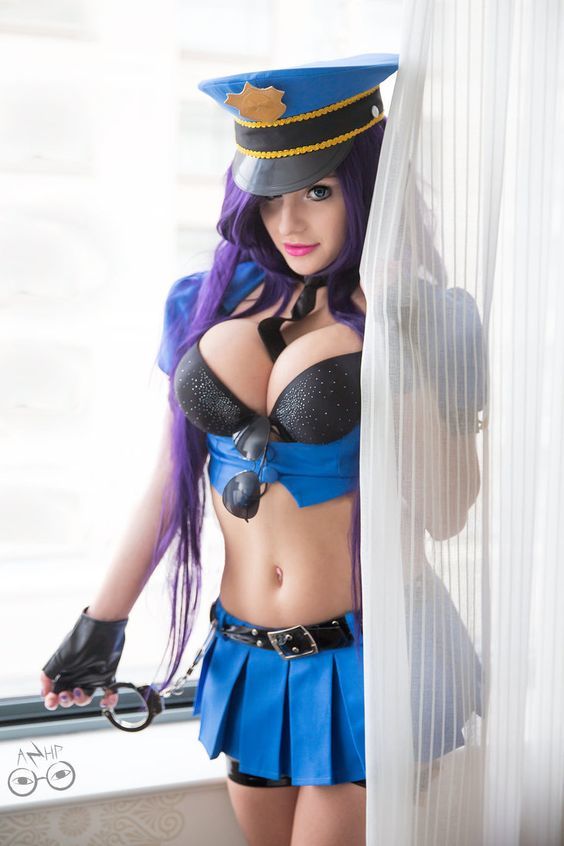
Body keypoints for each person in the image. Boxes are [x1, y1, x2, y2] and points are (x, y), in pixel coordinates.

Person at [40, 55, 484, 846]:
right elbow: (169, 483)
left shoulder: (432, 318)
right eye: (272, 198)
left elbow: (449, 511)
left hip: (372, 658)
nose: (291, 225)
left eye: (318, 191)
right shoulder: (204, 300)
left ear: (365, 186)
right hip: (247, 661)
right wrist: (99, 624)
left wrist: (396, 343)